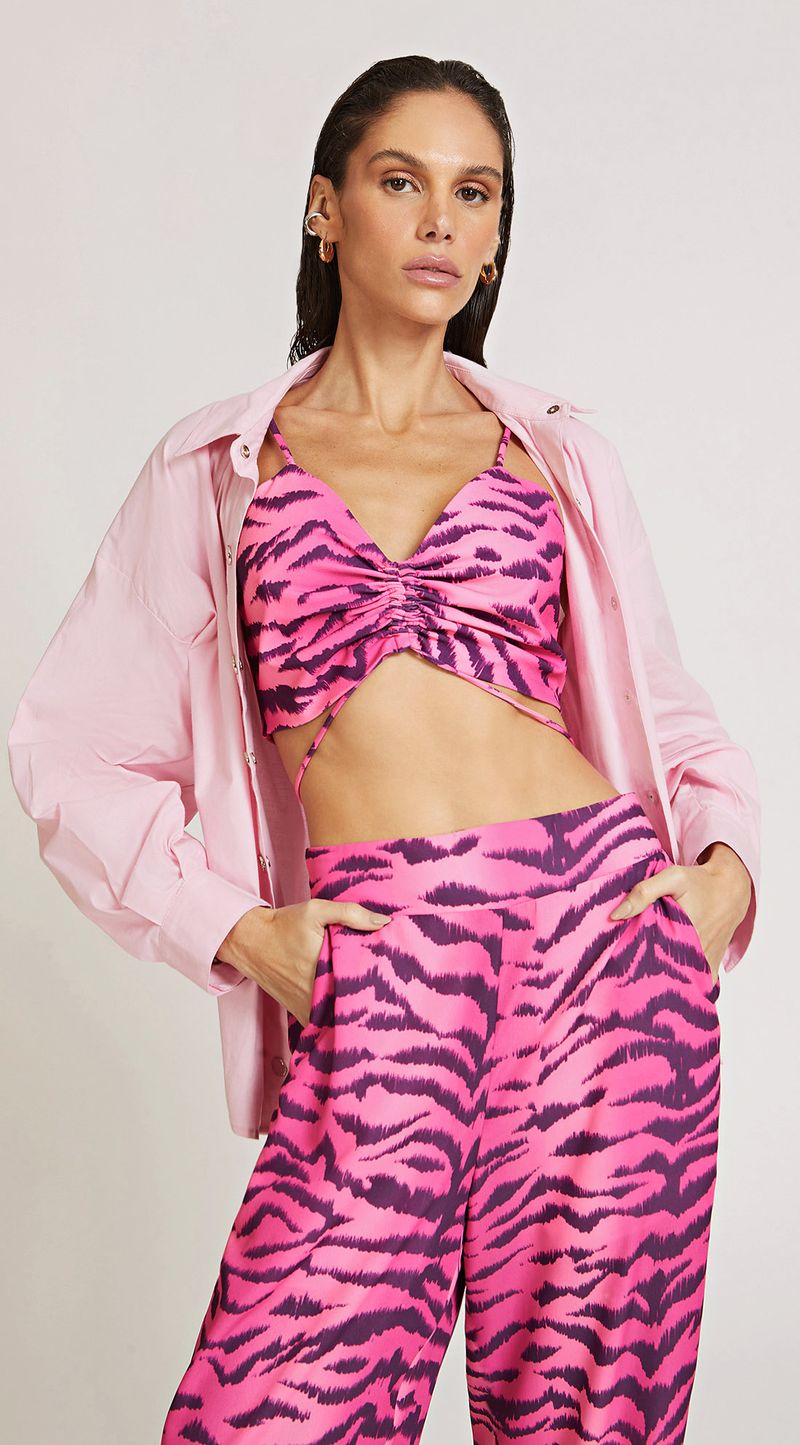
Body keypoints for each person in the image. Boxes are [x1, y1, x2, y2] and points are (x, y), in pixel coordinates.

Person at [8, 56, 760, 1445]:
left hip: (603, 948)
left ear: (496, 233)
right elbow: (71, 752)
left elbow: (669, 703)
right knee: (275, 1410)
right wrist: (239, 930)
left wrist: (726, 872)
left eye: (476, 194)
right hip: (385, 961)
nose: (440, 222)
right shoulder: (220, 464)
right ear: (324, 207)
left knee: (587, 1419)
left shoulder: (557, 456)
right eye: (402, 180)